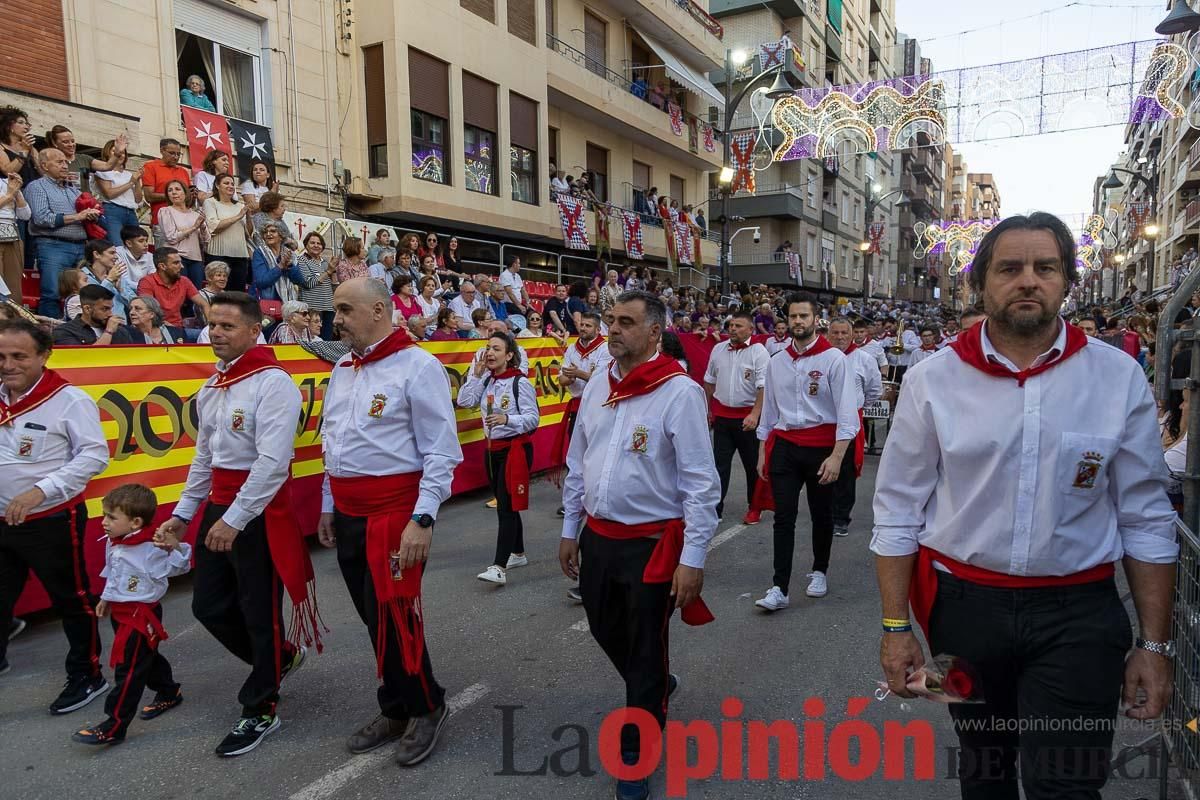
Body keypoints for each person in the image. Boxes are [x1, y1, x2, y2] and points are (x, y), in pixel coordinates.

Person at [873, 213, 1178, 800]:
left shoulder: (1117, 378)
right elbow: (897, 512)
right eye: (1010, 268)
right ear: (982, 283)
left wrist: (1155, 646)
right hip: (961, 616)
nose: (1028, 280)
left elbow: (1145, 518)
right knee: (983, 771)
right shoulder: (931, 381)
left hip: (1080, 618)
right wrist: (895, 629)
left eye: (1046, 267)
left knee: (1066, 785)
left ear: (1067, 282)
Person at [558, 290, 719, 800]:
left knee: (646, 645)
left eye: (626, 322)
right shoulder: (596, 385)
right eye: (611, 319)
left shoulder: (680, 392)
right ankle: (649, 685)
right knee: (606, 628)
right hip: (599, 538)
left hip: (652, 544)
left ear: (654, 332)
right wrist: (569, 526)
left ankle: (637, 750)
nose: (614, 329)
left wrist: (692, 559)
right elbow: (577, 457)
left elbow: (700, 484)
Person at [157, 291, 313, 757]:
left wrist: (237, 519)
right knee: (208, 606)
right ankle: (280, 660)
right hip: (219, 510)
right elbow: (204, 460)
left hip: (257, 513)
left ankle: (261, 706)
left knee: (259, 612)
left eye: (227, 326)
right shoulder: (213, 387)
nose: (217, 334)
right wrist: (184, 515)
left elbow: (272, 462)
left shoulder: (273, 383)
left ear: (253, 330)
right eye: (212, 325)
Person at [317, 276, 462, 764]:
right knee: (370, 614)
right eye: (335, 310)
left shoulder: (418, 366)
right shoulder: (343, 365)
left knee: (398, 616)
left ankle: (426, 705)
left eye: (343, 310)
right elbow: (332, 442)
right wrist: (327, 503)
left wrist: (422, 518)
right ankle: (396, 705)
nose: (334, 320)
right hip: (350, 510)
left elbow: (442, 452)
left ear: (378, 310)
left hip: (395, 515)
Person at [0, 319, 109, 709]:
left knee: (71, 600)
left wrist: (39, 492)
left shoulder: (69, 400)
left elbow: (95, 456)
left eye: (18, 356)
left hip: (52, 520)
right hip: (2, 522)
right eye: (1, 356)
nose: (8, 364)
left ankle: (87, 674)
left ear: (44, 356)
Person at [753, 292, 858, 611]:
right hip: (785, 446)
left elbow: (846, 412)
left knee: (820, 513)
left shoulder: (834, 360)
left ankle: (819, 571)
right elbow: (769, 411)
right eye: (793, 316)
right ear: (786, 320)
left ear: (816, 320)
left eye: (804, 316)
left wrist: (837, 456)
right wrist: (762, 451)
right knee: (783, 517)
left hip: (822, 448)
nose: (798, 321)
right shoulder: (777, 362)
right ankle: (779, 587)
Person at [71, 484, 191, 746]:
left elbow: (180, 567)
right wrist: (106, 598)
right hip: (121, 611)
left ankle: (115, 724)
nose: (104, 522)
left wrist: (176, 547)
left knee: (130, 669)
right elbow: (115, 574)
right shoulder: (115, 542)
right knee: (144, 658)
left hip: (141, 615)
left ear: (136, 522)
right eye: (104, 515)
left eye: (111, 517)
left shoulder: (152, 547)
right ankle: (169, 690)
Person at [458, 332, 539, 585]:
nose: (490, 353)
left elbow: (532, 419)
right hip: (491, 449)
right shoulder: (486, 381)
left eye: (496, 348)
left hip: (514, 449)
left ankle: (498, 566)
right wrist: (476, 374)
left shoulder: (519, 382)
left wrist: (507, 419)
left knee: (505, 506)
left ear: (509, 355)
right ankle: (518, 552)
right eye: (487, 348)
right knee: (506, 503)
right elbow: (464, 401)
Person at [704, 310, 768, 525]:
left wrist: (755, 414)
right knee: (719, 466)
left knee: (752, 466)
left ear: (751, 329)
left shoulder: (759, 352)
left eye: (739, 326)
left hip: (747, 419)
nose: (733, 329)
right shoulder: (718, 349)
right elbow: (709, 381)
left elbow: (764, 387)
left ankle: (755, 507)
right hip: (722, 417)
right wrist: (708, 409)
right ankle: (715, 507)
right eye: (731, 325)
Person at [825, 317, 881, 538]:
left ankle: (841, 518)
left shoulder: (865, 359)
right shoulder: (822, 357)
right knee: (821, 469)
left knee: (846, 472)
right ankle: (824, 513)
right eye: (835, 333)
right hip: (826, 422)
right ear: (829, 335)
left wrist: (855, 409)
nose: (839, 337)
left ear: (852, 335)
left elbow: (874, 391)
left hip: (850, 422)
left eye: (844, 333)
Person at [24, 148, 97, 317]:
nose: (65, 165)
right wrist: (78, 216)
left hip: (80, 246)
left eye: (66, 162)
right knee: (52, 294)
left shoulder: (73, 189)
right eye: (59, 162)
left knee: (85, 295)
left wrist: (92, 214)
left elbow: (84, 215)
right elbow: (42, 218)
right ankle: (52, 338)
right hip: (52, 246)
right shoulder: (36, 186)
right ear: (44, 165)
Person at [137, 247, 210, 329]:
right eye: (176, 263)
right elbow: (147, 311)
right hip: (155, 328)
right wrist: (166, 326)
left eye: (180, 262)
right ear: (162, 266)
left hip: (178, 328)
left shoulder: (184, 281)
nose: (182, 266)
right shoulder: (146, 282)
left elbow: (204, 304)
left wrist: (210, 328)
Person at [203, 173, 251, 292]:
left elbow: (248, 234)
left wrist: (249, 217)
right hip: (218, 254)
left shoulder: (240, 205)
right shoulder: (210, 202)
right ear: (217, 186)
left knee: (237, 294)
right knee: (218, 292)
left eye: (232, 184)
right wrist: (238, 216)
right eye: (226, 183)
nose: (230, 186)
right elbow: (213, 226)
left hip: (240, 256)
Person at [91, 140, 143, 247]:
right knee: (117, 244)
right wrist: (131, 182)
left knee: (136, 245)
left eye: (123, 153)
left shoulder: (128, 174)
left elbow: (138, 199)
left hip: (131, 212)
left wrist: (137, 182)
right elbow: (109, 194)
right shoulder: (102, 172)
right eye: (115, 152)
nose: (121, 155)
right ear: (107, 153)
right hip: (112, 210)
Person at [140, 139, 191, 247]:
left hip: (185, 222)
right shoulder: (150, 166)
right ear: (162, 150)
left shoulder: (183, 171)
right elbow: (149, 196)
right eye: (172, 153)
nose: (176, 157)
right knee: (165, 259)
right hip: (162, 222)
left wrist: (192, 196)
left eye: (178, 154)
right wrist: (174, 196)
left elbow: (187, 198)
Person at [159, 179, 208, 289]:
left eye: (177, 189)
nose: (174, 192)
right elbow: (171, 237)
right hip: (176, 257)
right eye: (170, 190)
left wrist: (203, 226)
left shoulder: (195, 214)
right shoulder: (165, 211)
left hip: (196, 259)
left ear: (185, 193)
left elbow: (206, 240)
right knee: (179, 293)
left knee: (195, 294)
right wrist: (194, 227)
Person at [288, 231, 337, 340]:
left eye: (319, 243)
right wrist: (328, 272)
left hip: (328, 308)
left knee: (327, 341)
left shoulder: (325, 262)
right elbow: (308, 283)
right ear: (306, 245)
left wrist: (333, 271)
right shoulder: (302, 260)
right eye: (312, 243)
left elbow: (333, 286)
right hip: (312, 308)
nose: (316, 245)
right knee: (312, 339)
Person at [52, 284, 131, 345]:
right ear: (87, 309)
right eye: (105, 309)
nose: (110, 314)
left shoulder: (120, 332)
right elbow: (84, 359)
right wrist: (108, 332)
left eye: (111, 308)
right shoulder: (64, 331)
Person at [80, 238, 137, 320]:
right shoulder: (83, 277)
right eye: (112, 253)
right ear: (97, 254)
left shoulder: (117, 275)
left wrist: (121, 290)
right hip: (98, 325)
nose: (116, 257)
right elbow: (94, 300)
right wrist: (109, 280)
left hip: (122, 325)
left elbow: (135, 303)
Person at [0, 171, 28, 298]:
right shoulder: (9, 189)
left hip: (12, 235)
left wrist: (17, 191)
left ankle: (14, 317)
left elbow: (25, 215)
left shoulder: (7, 182)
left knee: (14, 286)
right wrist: (10, 195)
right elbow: (9, 196)